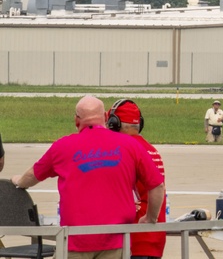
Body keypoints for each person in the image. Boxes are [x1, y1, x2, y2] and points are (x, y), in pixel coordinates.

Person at [10, 95, 164, 259]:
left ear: (77, 121)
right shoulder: (130, 145)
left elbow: (33, 175)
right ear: (105, 117)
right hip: (116, 242)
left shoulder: (62, 146)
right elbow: (157, 185)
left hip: (75, 243)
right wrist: (150, 218)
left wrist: (19, 181)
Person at [106, 99, 166, 259]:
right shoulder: (151, 149)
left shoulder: (124, 150)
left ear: (114, 124)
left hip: (133, 237)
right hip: (154, 237)